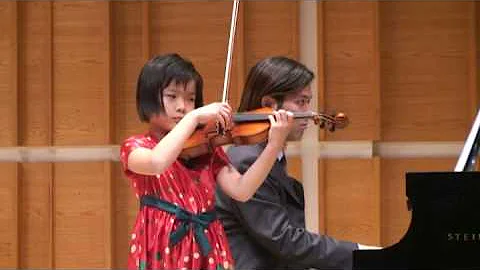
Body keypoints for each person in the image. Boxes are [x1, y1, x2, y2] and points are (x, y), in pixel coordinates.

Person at [120, 53, 294, 270]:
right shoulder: (136, 146)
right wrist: (193, 117)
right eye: (172, 96)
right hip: (162, 247)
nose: (183, 106)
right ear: (148, 98)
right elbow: (158, 162)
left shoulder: (206, 151)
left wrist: (273, 146)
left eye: (191, 99)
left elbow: (242, 190)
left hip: (208, 247)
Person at [215, 56, 380, 270]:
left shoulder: (267, 157)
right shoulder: (247, 160)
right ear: (269, 105)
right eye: (301, 102)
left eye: (308, 102)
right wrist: (361, 254)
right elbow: (283, 240)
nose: (309, 114)